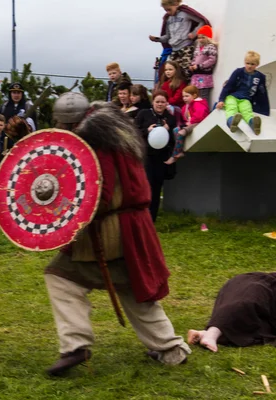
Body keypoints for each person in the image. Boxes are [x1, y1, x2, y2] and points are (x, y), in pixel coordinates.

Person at [45, 93, 191, 377]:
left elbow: (100, 194)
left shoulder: (95, 144)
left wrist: (65, 217)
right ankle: (171, 349)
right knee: (132, 287)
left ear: (69, 123)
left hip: (109, 229)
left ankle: (75, 345)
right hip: (130, 227)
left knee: (62, 277)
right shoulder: (113, 133)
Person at [187, 272, 276, 352]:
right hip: (255, 284)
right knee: (247, 300)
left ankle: (208, 334)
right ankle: (212, 333)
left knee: (251, 318)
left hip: (264, 299)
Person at [135, 90, 177, 222]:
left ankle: (152, 218)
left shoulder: (170, 118)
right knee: (146, 184)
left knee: (157, 186)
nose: (160, 104)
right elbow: (134, 131)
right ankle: (142, 215)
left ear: (166, 103)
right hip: (146, 155)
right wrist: (147, 131)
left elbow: (172, 140)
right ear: (153, 102)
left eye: (162, 102)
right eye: (157, 101)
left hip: (161, 156)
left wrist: (167, 129)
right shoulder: (144, 114)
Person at [149, 0, 210, 80]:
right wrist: (157, 39)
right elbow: (167, 36)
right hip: (174, 49)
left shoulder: (185, 14)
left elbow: (201, 21)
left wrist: (194, 33)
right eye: (166, 10)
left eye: (169, 9)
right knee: (171, 73)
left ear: (176, 5)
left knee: (186, 72)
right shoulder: (168, 19)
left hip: (186, 47)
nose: (168, 12)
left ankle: (187, 90)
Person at [216, 51, 270, 135]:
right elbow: (228, 86)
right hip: (232, 96)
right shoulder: (238, 72)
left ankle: (254, 124)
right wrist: (221, 100)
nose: (249, 66)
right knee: (231, 108)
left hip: (246, 99)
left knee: (247, 111)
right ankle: (231, 123)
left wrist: (265, 111)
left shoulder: (260, 77)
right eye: (247, 63)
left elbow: (262, 93)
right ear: (244, 62)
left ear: (257, 64)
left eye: (252, 64)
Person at [165, 85, 209, 164]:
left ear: (194, 95)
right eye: (183, 96)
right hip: (190, 123)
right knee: (176, 130)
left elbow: (199, 115)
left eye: (187, 96)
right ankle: (179, 150)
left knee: (182, 131)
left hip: (198, 123)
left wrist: (190, 122)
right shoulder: (186, 106)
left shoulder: (198, 103)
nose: (184, 98)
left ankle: (175, 154)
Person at [189, 25, 218, 104]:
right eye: (199, 37)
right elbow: (194, 58)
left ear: (208, 37)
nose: (201, 39)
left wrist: (200, 66)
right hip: (196, 75)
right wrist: (192, 65)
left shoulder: (211, 47)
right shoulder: (198, 47)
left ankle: (204, 112)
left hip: (204, 76)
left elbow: (212, 60)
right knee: (195, 94)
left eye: (203, 37)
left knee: (203, 95)